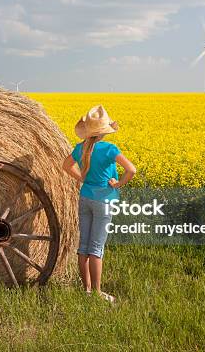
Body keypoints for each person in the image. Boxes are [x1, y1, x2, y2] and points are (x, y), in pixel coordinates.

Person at [62, 105, 136, 303]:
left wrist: (82, 179)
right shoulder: (110, 149)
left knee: (83, 246)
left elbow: (65, 166)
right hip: (103, 201)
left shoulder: (81, 148)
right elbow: (132, 170)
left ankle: (85, 290)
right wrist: (118, 183)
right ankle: (96, 293)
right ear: (104, 131)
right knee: (96, 249)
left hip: (85, 198)